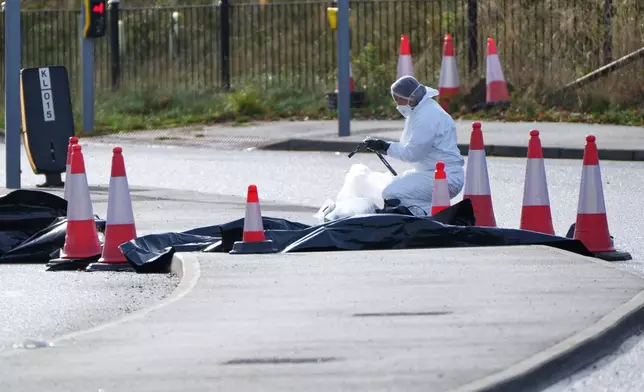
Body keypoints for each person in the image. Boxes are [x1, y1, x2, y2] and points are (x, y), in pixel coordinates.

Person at [362, 75, 465, 216]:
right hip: (435, 172)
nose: (398, 105)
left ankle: (436, 216)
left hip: (445, 178)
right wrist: (383, 147)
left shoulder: (426, 116)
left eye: (399, 101)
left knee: (392, 193)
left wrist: (384, 147)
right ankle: (435, 214)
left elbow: (413, 153)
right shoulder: (421, 110)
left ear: (410, 97)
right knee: (392, 185)